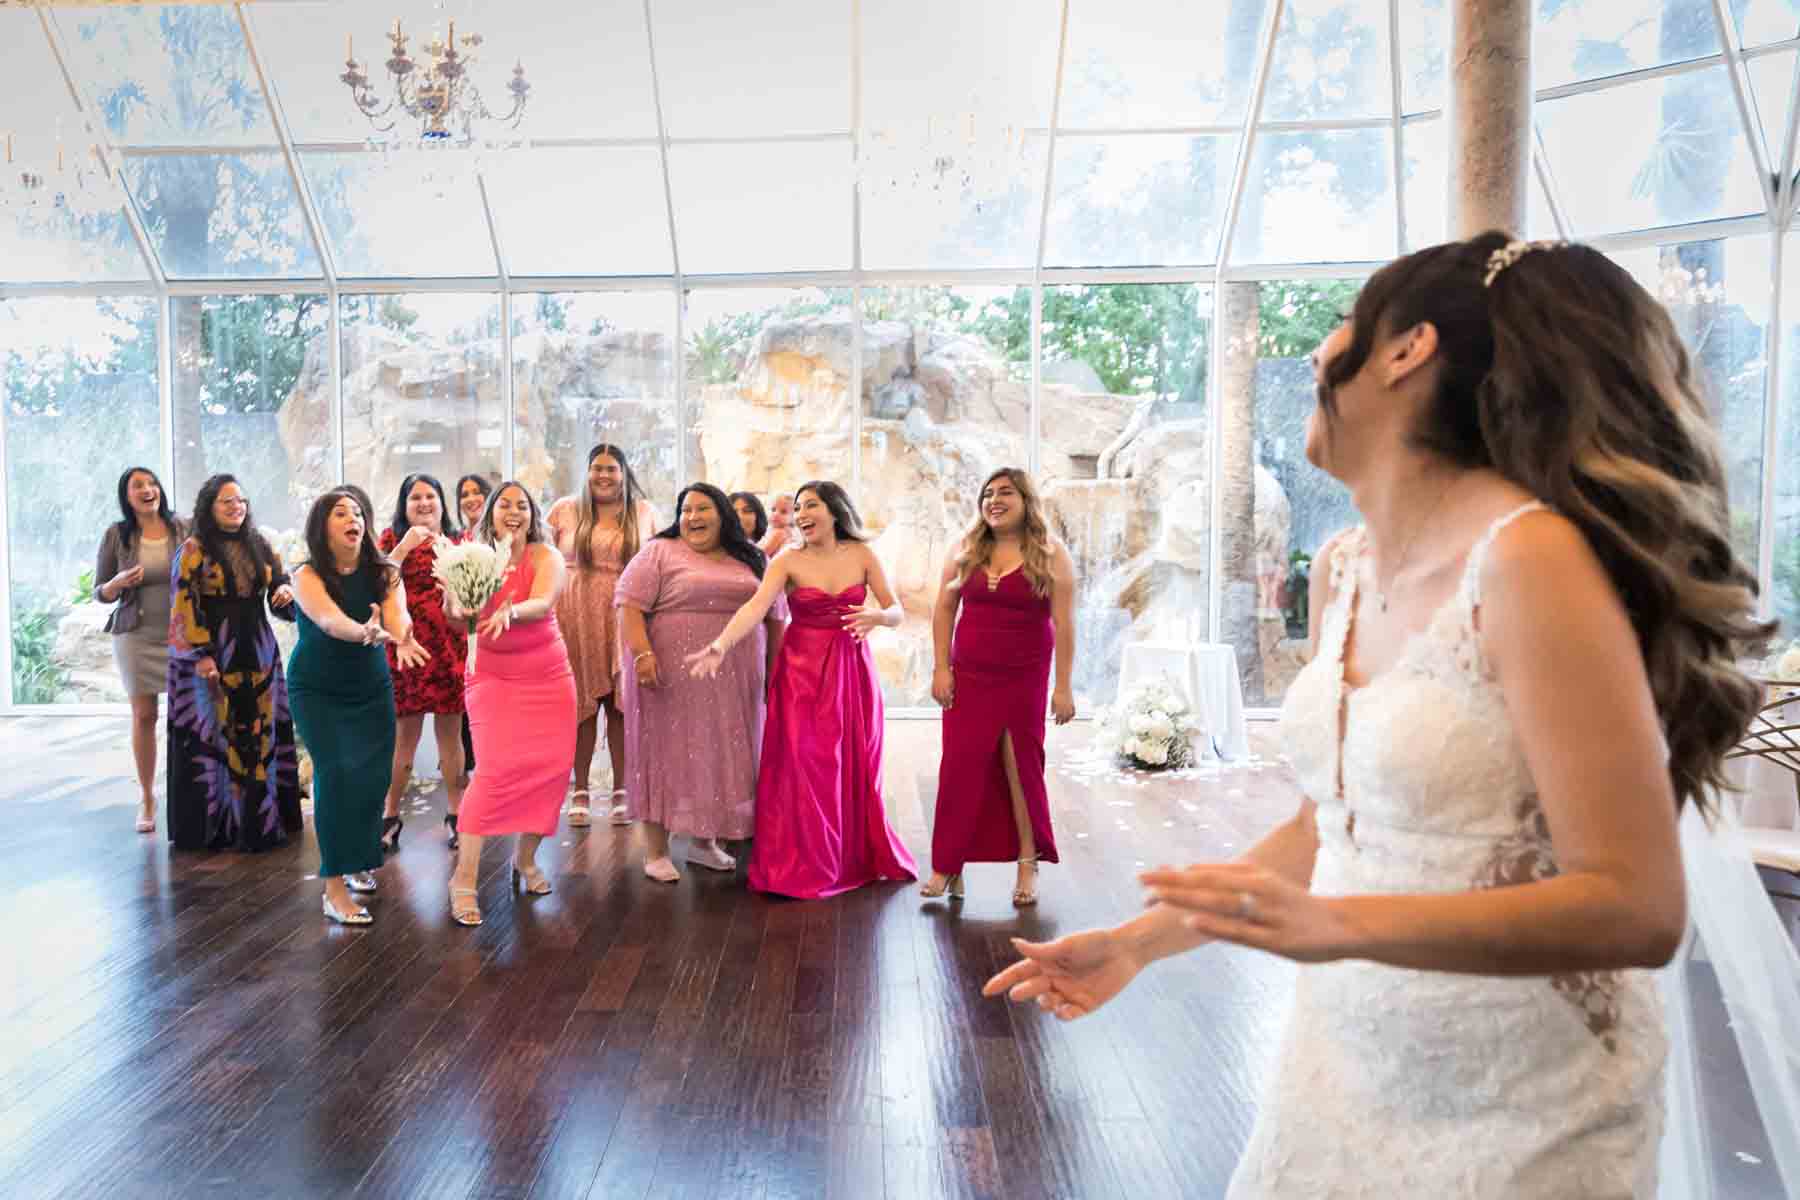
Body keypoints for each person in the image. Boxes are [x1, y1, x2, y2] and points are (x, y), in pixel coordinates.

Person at [984, 234, 1776, 1197]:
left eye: (1346, 320)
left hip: (1518, 1111)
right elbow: (1334, 827)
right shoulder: (1347, 568)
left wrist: (1339, 926)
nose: (1320, 350)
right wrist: (1138, 945)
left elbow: (1639, 907)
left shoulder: (1529, 563)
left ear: (1407, 350)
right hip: (1337, 1074)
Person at [688, 481, 916, 898]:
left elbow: (895, 609)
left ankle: (847, 855)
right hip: (801, 672)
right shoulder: (788, 561)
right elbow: (754, 608)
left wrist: (877, 619)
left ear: (834, 511)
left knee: (851, 763)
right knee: (804, 760)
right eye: (798, 507)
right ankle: (806, 859)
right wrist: (720, 645)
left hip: (851, 670)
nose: (802, 513)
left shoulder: (863, 554)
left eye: (811, 505)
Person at [616, 483, 785, 882]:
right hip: (672, 674)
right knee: (667, 751)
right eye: (686, 510)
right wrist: (642, 654)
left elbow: (776, 617)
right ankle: (656, 850)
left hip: (738, 675)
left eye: (702, 508)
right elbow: (629, 604)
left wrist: (774, 673)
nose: (692, 517)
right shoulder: (659, 551)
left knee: (720, 752)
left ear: (723, 513)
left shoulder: (752, 556)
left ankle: (705, 842)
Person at [923, 468, 1077, 906]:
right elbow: (943, 610)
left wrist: (1062, 687)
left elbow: (1065, 624)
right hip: (968, 675)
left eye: (1005, 493)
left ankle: (1027, 865)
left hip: (1024, 675)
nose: (994, 500)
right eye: (987, 494)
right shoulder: (966, 549)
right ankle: (946, 866)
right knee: (959, 767)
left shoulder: (1051, 553)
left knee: (1020, 768)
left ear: (1026, 500)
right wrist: (940, 667)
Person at [289, 487, 429, 925]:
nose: (353, 518)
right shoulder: (306, 574)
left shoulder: (383, 571)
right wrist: (362, 632)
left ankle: (357, 861)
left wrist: (401, 633)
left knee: (371, 778)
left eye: (357, 512)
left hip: (370, 686)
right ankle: (333, 886)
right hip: (318, 688)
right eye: (340, 512)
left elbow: (397, 612)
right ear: (322, 526)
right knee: (334, 774)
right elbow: (330, 620)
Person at [445, 482, 576, 927]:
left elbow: (542, 602)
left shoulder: (545, 556)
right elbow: (452, 613)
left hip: (547, 675)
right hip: (491, 675)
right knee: (494, 772)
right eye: (505, 504)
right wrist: (463, 606)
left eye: (522, 505)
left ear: (532, 514)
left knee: (552, 769)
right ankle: (463, 881)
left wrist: (510, 612)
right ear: (490, 513)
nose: (514, 512)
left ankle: (527, 859)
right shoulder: (469, 554)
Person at [166, 474, 303, 853]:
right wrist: (200, 654)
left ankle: (261, 824)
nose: (236, 507)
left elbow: (281, 587)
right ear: (209, 507)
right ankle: (221, 829)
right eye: (227, 501)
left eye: (241, 500)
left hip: (257, 649)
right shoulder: (192, 548)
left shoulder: (259, 543)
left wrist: (283, 591)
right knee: (215, 736)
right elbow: (182, 605)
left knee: (261, 733)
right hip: (213, 652)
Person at [547, 444, 655, 828]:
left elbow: (655, 561)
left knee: (619, 701)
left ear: (624, 473)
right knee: (580, 702)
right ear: (587, 471)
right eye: (597, 468)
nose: (604, 475)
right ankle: (580, 789)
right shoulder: (564, 509)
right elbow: (543, 555)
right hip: (574, 611)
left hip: (624, 609)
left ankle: (622, 788)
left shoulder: (643, 512)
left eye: (611, 468)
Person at [94, 466, 187, 833]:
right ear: (127, 496)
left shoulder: (182, 527)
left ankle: (191, 794)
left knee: (188, 717)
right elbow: (99, 592)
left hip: (182, 634)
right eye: (138, 486)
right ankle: (147, 797)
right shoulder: (117, 535)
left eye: (152, 483)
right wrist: (115, 583)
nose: (148, 490)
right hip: (135, 635)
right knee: (144, 715)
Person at [378, 473, 467, 850]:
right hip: (406, 645)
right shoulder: (388, 539)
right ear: (404, 505)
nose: (425, 503)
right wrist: (402, 548)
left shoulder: (460, 541)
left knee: (451, 732)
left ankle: (456, 812)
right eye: (416, 498)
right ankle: (389, 813)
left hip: (449, 645)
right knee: (404, 736)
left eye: (431, 496)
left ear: (442, 503)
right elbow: (377, 583)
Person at [452, 472, 494, 779]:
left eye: (477, 492)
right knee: (468, 713)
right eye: (464, 494)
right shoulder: (455, 542)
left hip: (497, 635)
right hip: (463, 642)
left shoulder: (499, 540)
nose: (470, 499)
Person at [759, 492, 799, 560]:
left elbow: (763, 553)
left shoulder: (780, 533)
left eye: (783, 512)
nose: (776, 514)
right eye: (773, 509)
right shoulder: (777, 530)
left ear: (793, 517)